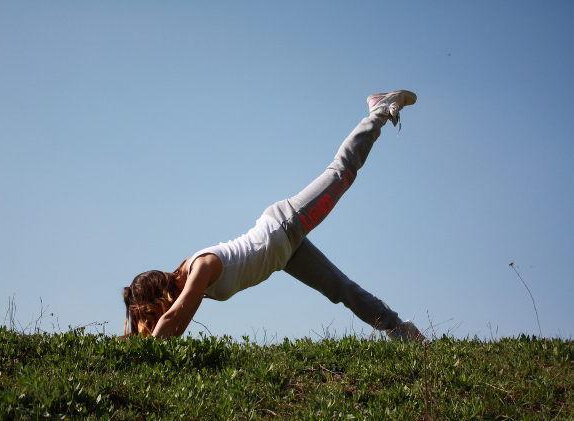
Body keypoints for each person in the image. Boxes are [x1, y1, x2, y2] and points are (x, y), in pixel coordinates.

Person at [123, 90, 425, 342]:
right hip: (283, 254)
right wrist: (136, 339)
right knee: (341, 289)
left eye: (151, 311)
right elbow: (171, 324)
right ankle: (401, 330)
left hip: (284, 226)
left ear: (159, 295)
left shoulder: (199, 268)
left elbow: (176, 319)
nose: (155, 317)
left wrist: (151, 353)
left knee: (342, 173)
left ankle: (380, 110)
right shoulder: (190, 288)